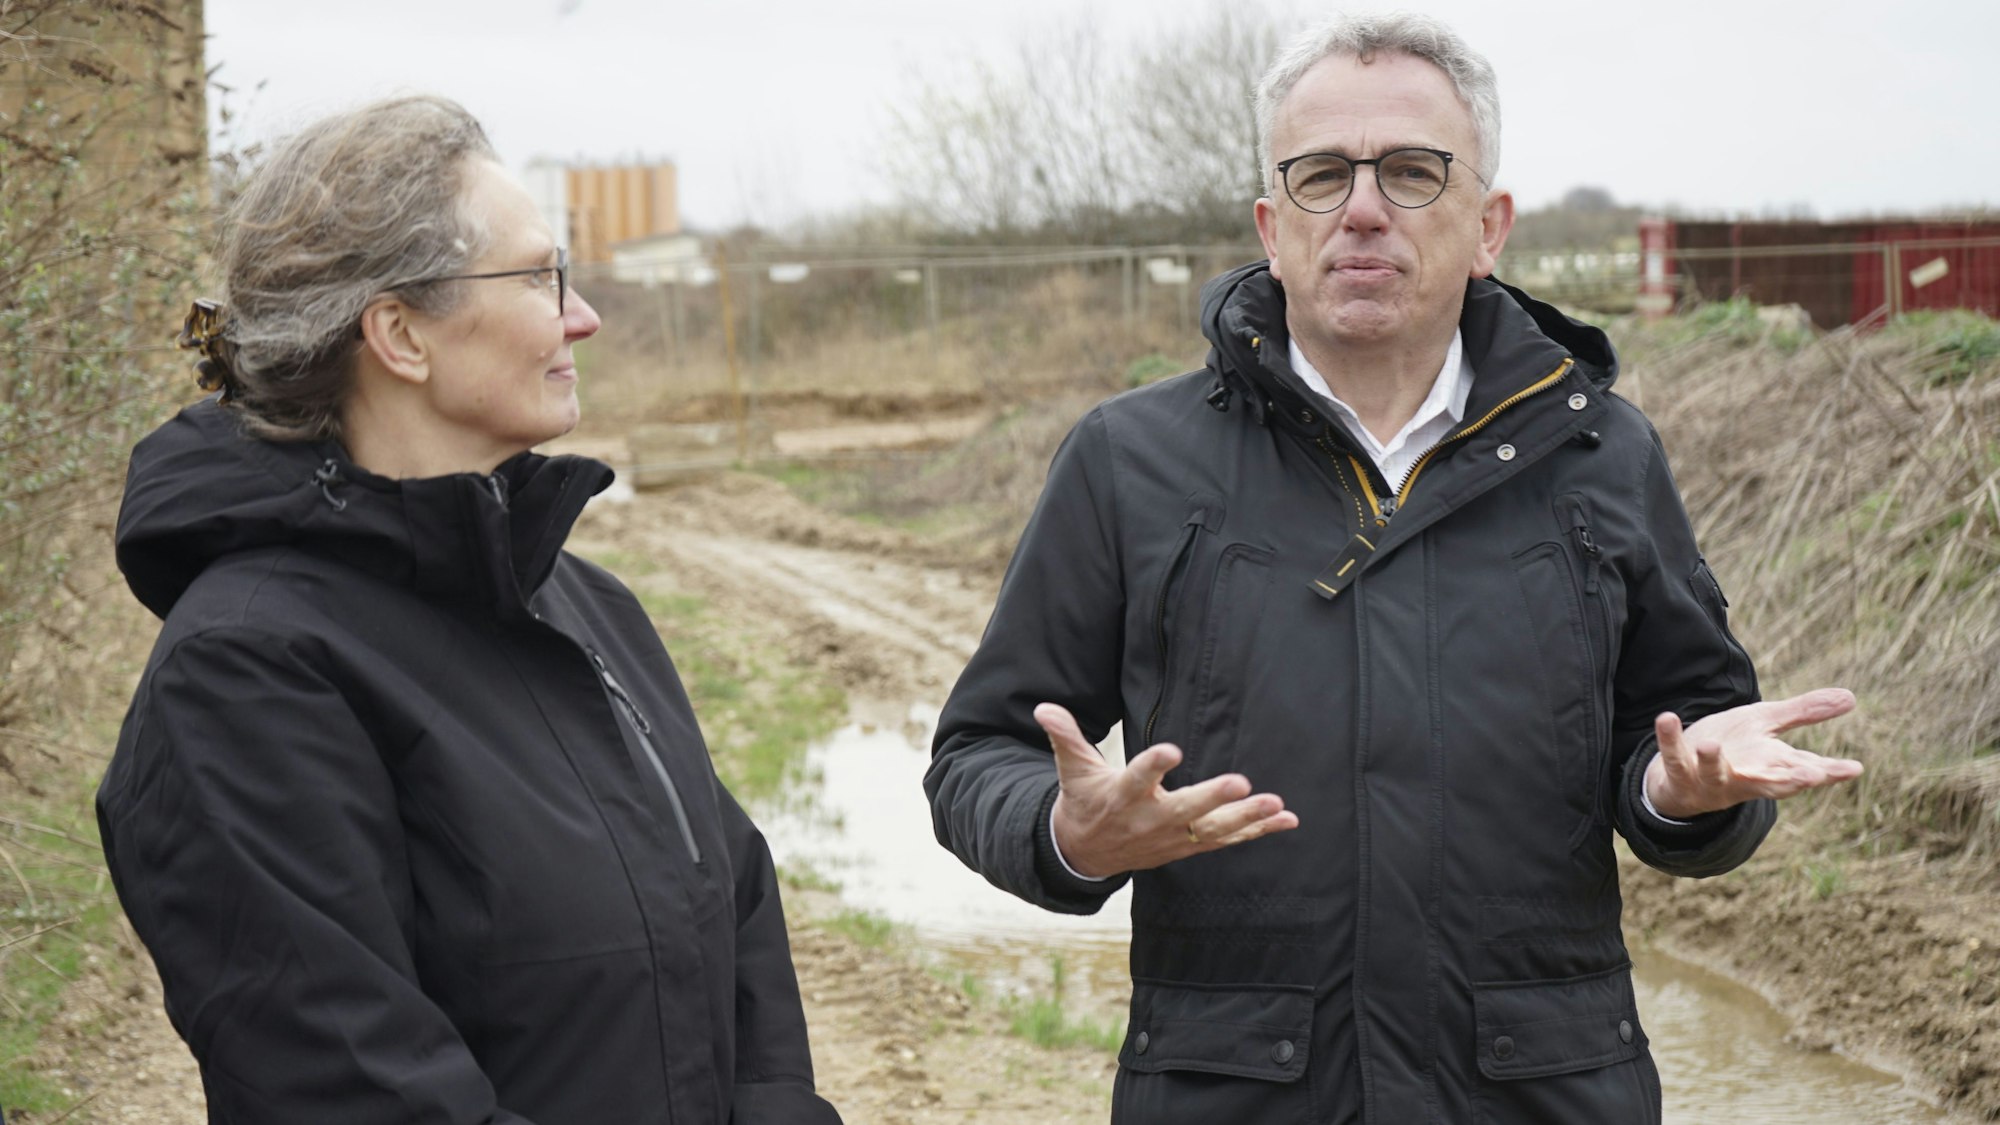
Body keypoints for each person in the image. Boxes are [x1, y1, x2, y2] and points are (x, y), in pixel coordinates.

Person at [924, 12, 1862, 1124]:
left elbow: (1686, 738)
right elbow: (976, 754)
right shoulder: (1128, 462)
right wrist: (1066, 836)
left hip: (1540, 1094)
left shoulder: (1602, 456)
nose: (1362, 208)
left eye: (1412, 172)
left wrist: (1682, 794)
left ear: (1488, 226)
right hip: (1236, 1095)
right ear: (1273, 227)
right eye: (1322, 174)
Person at [97, 96, 842, 1125]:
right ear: (400, 334)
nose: (582, 316)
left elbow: (737, 908)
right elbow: (356, 1090)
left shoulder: (585, 606)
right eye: (538, 278)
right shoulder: (243, 672)